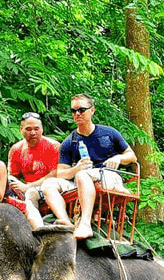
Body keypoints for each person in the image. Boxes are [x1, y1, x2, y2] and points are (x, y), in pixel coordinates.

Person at [40, 94, 137, 240]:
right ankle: (66, 221)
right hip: (80, 179)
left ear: (92, 110)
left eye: (81, 110)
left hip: (108, 176)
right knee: (48, 184)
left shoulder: (109, 133)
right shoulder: (69, 141)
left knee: (83, 176)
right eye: (74, 111)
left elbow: (132, 156)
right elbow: (60, 173)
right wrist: (76, 168)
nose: (77, 114)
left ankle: (85, 224)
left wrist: (119, 158)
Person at [5, 112, 58, 229]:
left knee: (30, 193)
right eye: (28, 129)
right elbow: (12, 175)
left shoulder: (53, 146)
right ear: (21, 129)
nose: (33, 133)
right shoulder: (16, 149)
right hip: (24, 187)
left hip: (47, 187)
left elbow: (54, 174)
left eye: (36, 129)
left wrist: (27, 187)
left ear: (42, 129)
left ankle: (37, 229)